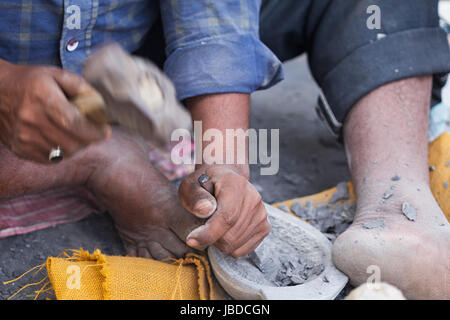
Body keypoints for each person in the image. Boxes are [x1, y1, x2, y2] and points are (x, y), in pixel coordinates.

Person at [0, 0, 448, 300]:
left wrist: (225, 164)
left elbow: (213, 16)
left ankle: (397, 205)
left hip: (144, 43)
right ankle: (103, 160)